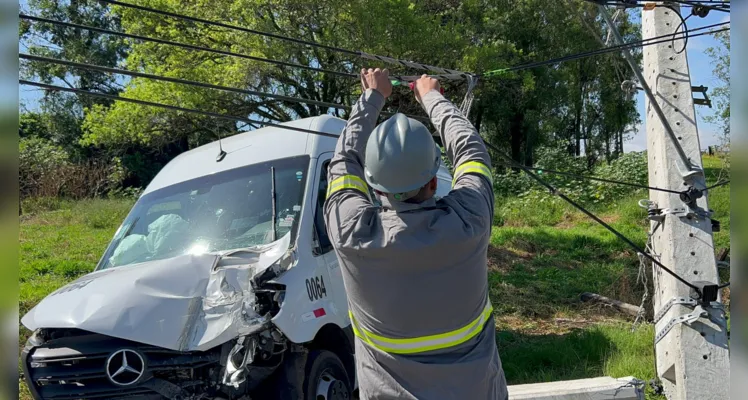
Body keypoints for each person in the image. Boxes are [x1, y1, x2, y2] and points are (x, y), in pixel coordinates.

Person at [324, 68, 508, 400]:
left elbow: (344, 162)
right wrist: (431, 97)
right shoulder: (469, 221)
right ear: (434, 181)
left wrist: (372, 96)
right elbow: (472, 154)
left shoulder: (351, 233)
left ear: (374, 188)